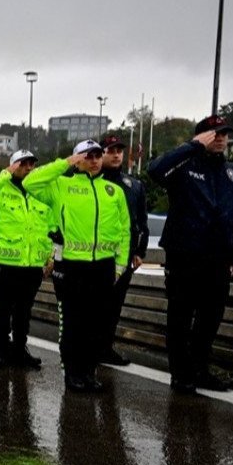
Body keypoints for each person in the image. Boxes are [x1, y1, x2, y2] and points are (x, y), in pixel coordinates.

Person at [149, 115, 233, 394]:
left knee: (210, 320)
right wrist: (192, 146)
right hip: (184, 258)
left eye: (224, 134)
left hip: (218, 262)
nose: (220, 138)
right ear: (200, 137)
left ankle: (200, 369)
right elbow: (155, 170)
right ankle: (181, 373)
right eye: (213, 133)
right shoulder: (185, 166)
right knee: (180, 318)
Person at [22, 140, 130, 392]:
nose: (94, 160)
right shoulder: (61, 185)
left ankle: (89, 372)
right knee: (74, 323)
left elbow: (125, 230)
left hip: (103, 267)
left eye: (97, 155)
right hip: (72, 267)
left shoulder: (113, 191)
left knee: (97, 325)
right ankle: (73, 373)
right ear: (78, 159)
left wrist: (120, 266)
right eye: (87, 155)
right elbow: (30, 182)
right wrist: (66, 163)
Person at [0, 149, 54, 368]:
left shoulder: (40, 192)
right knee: (4, 309)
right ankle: (2, 351)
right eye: (23, 163)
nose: (28, 168)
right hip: (5, 264)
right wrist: (5, 174)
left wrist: (49, 257)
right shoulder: (1, 188)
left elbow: (48, 228)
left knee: (24, 312)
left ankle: (19, 350)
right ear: (13, 165)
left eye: (31, 164)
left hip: (32, 264)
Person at [97, 135, 149, 366]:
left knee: (113, 306)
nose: (116, 154)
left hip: (122, 257)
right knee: (93, 306)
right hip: (94, 256)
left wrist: (140, 251)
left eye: (119, 151)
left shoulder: (133, 186)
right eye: (111, 150)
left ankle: (105, 348)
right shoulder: (89, 183)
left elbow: (140, 222)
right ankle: (88, 348)